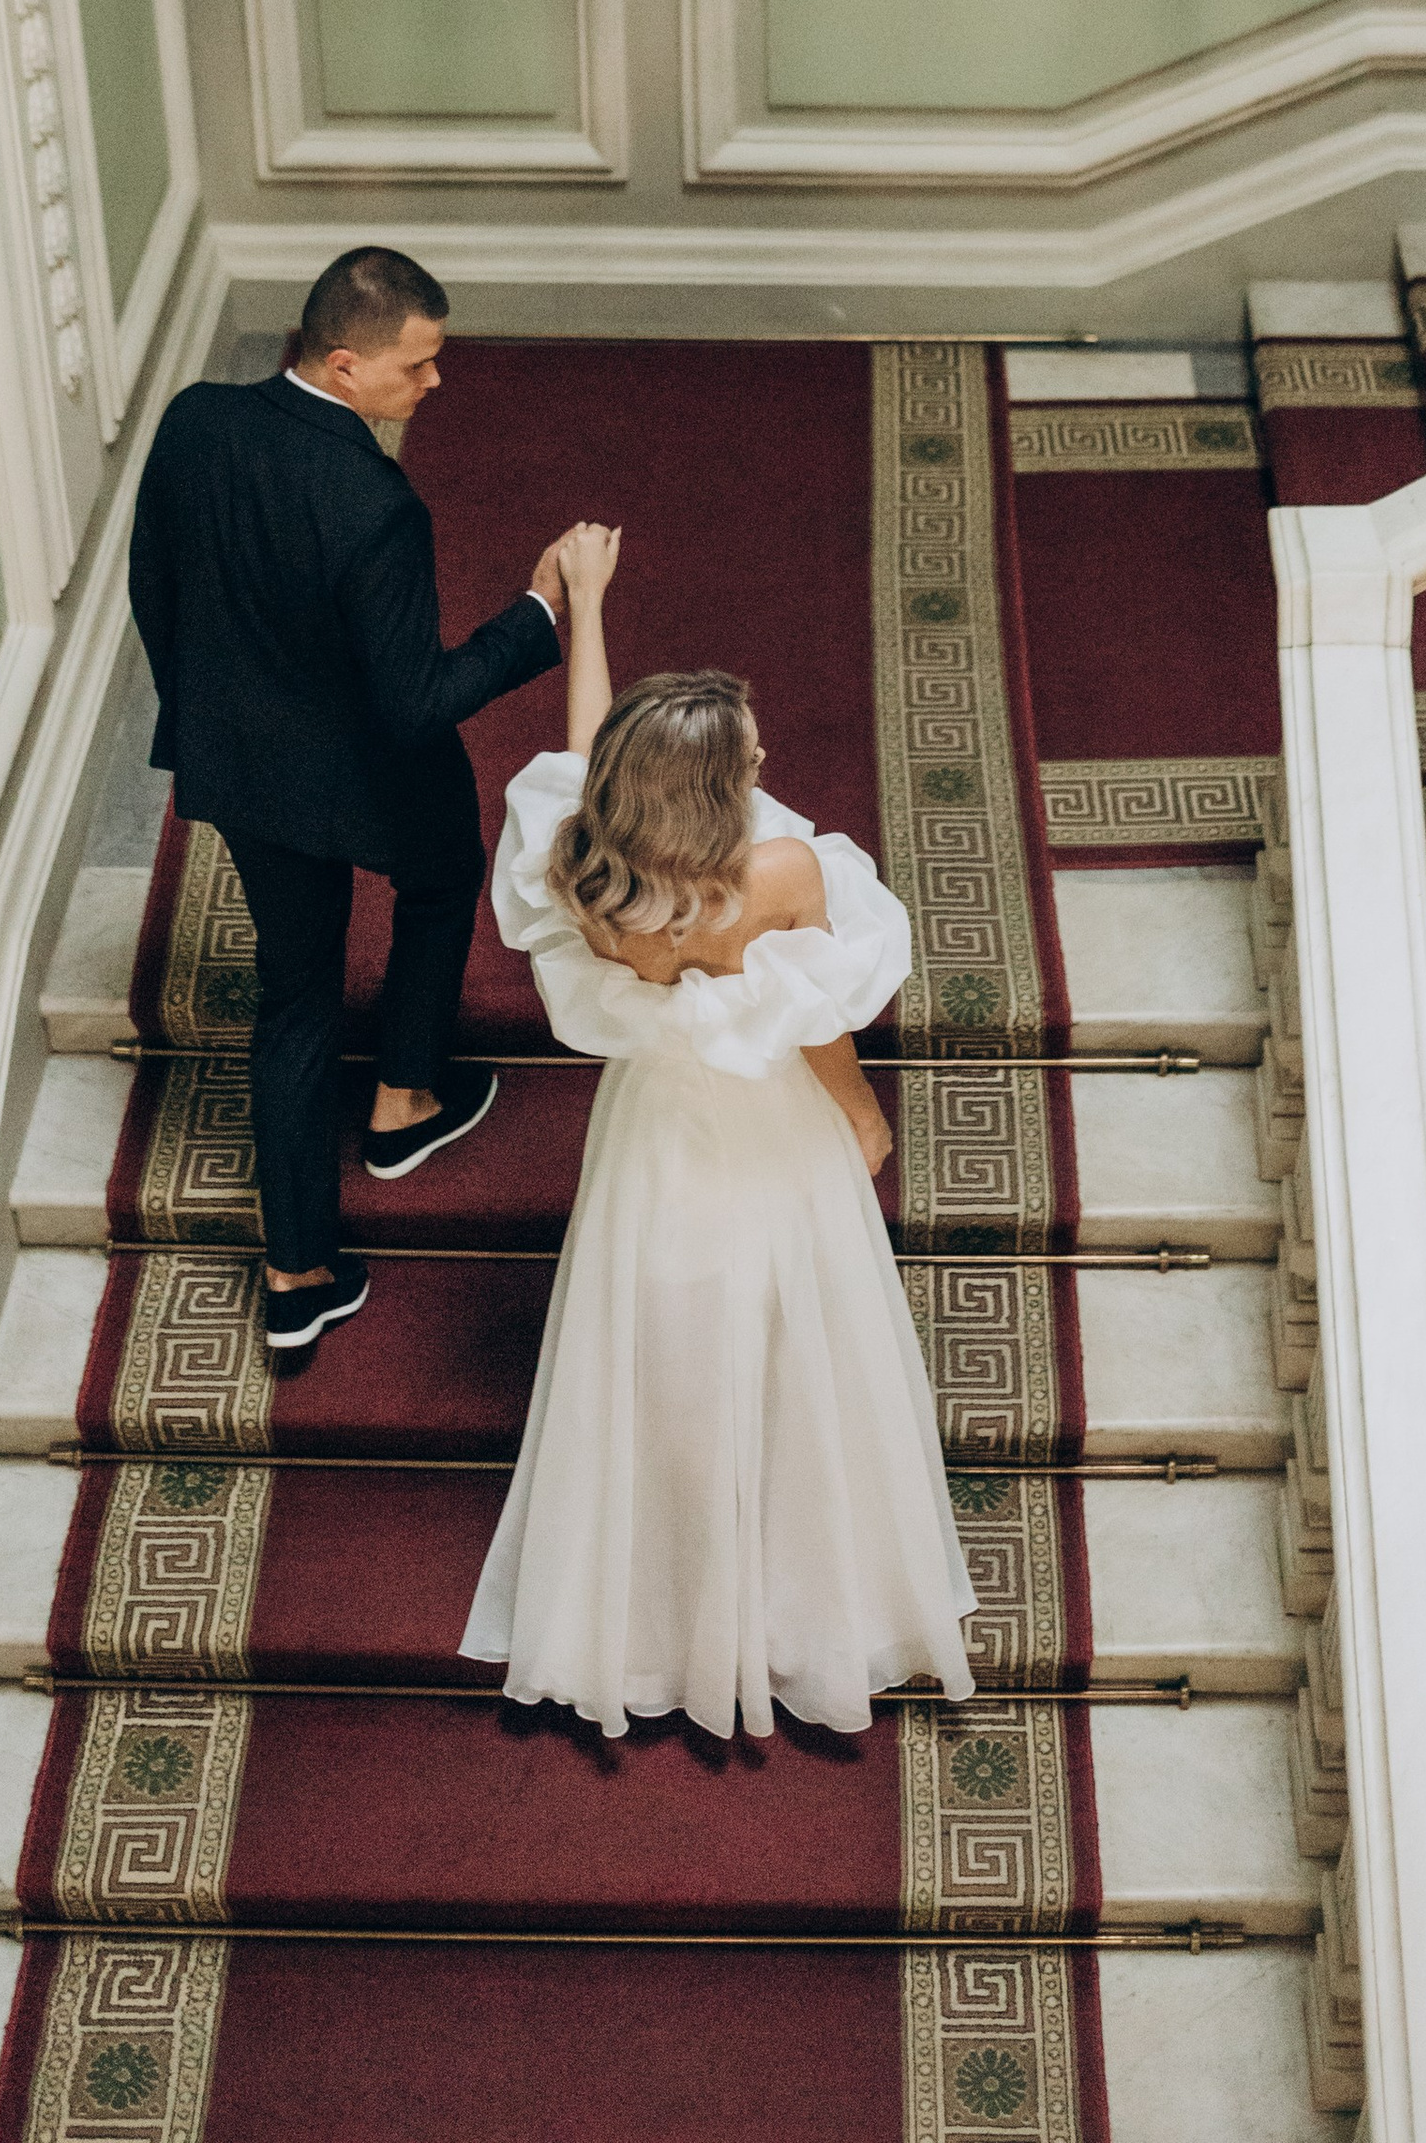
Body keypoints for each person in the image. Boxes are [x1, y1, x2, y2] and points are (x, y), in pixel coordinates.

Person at [461, 526, 978, 1737]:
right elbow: (815, 1018)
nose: (763, 756)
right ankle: (803, 1598)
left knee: (666, 1364)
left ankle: (658, 1613)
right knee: (801, 1350)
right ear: (707, 791)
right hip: (767, 1125)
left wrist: (588, 603)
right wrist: (859, 1108)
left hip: (655, 1131)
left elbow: (585, 756)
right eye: (747, 753)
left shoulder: (584, 864)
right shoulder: (778, 873)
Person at [128, 245, 609, 1354]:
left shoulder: (196, 419)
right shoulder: (376, 505)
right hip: (366, 768)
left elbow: (154, 588)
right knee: (442, 876)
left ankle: (296, 1278)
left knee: (295, 1001)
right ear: (343, 363)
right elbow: (417, 701)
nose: (435, 382)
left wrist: (210, 713)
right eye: (416, 366)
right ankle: (404, 1101)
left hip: (244, 771)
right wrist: (539, 611)